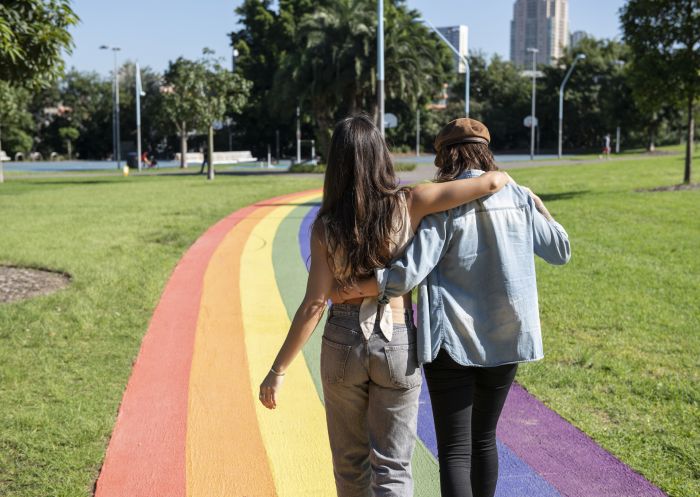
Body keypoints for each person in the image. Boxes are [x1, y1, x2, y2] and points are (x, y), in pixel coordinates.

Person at [258, 114, 513, 497]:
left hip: (342, 341)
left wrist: (278, 370)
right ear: (382, 157)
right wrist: (508, 181)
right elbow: (490, 182)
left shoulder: (326, 227)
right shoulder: (409, 203)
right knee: (393, 466)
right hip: (395, 341)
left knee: (350, 466)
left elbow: (313, 304)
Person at [336, 118, 571, 497]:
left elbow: (408, 273)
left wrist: (358, 287)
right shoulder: (520, 197)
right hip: (507, 338)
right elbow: (561, 250)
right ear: (486, 150)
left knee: (455, 450)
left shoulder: (445, 202)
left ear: (445, 155)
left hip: (451, 342)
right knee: (484, 439)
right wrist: (541, 207)